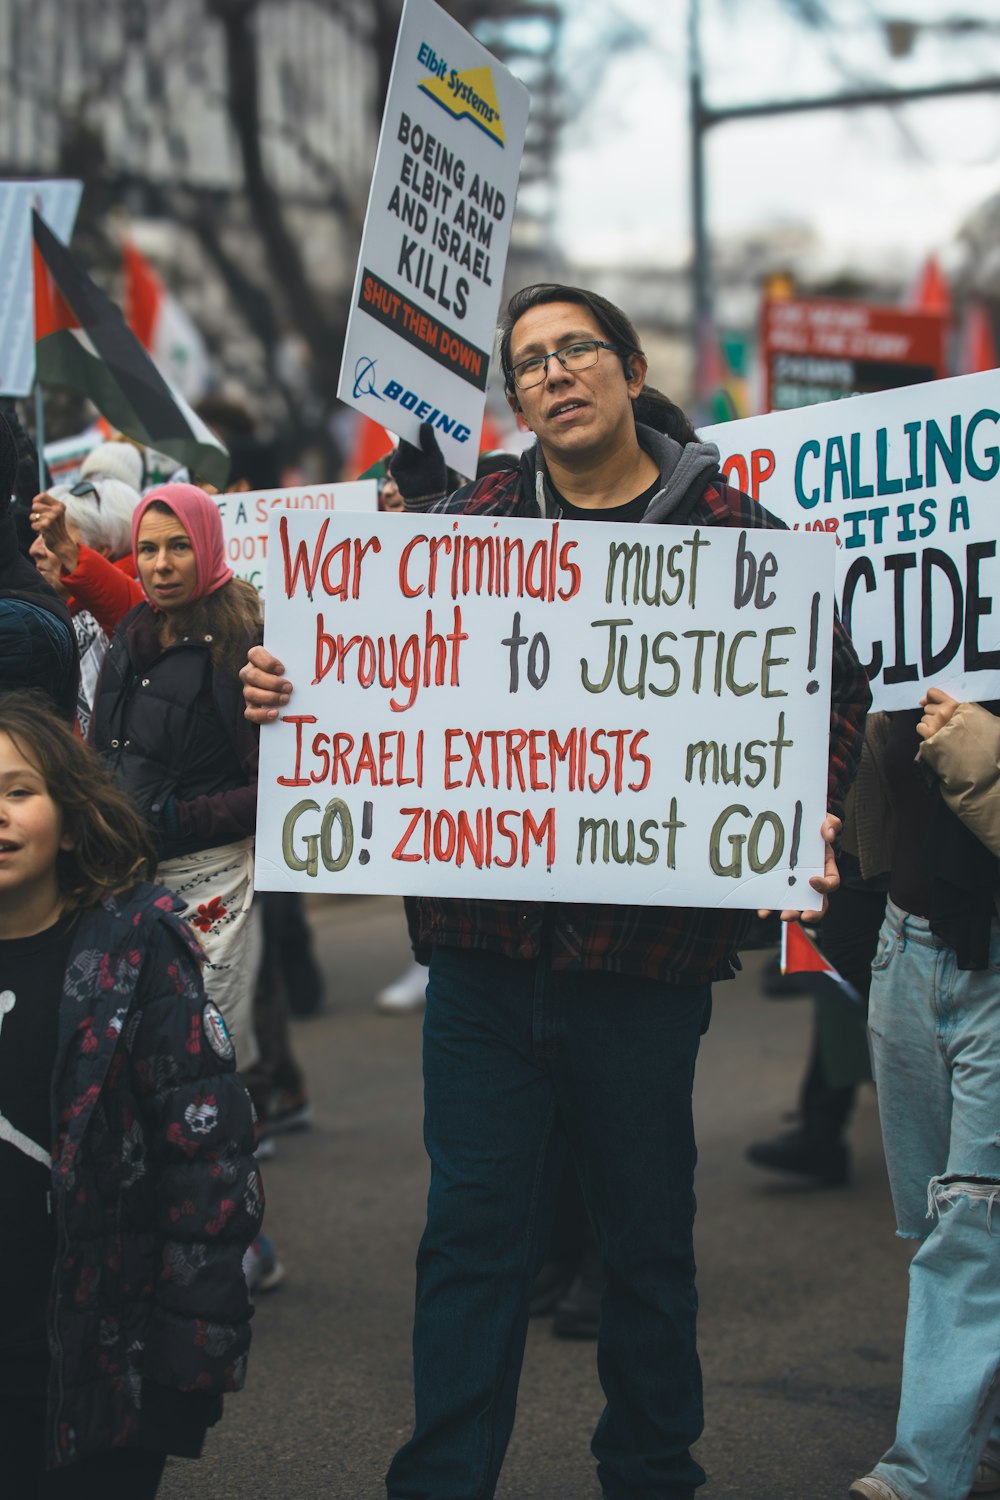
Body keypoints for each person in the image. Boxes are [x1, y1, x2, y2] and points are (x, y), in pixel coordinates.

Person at [242, 282, 870, 1500]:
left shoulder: (740, 537)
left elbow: (826, 696)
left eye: (578, 349)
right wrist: (286, 687)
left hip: (643, 967)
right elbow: (356, 671)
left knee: (645, 1242)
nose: (553, 374)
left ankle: (650, 1470)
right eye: (527, 364)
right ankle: (441, 1479)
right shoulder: (455, 527)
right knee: (470, 1243)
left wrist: (807, 795)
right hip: (476, 959)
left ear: (632, 372)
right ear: (515, 400)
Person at [0, 691, 261, 1498]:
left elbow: (206, 1167)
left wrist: (191, 1362)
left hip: (92, 1365)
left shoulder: (135, 950)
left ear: (73, 820)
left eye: (17, 791)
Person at [847, 688, 1000, 1500]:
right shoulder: (915, 598)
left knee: (972, 1229)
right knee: (938, 1217)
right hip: (904, 948)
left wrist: (978, 745)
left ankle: (921, 1475)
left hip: (991, 956)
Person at [90, 482, 263, 1071]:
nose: (160, 565)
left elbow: (274, 791)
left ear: (208, 546)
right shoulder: (133, 630)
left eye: (179, 547)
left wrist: (175, 818)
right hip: (127, 878)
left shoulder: (241, 642)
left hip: (208, 882)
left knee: (199, 1061)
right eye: (147, 549)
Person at [28, 458, 143, 736]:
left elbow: (130, 614)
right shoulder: (66, 616)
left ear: (101, 552)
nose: (34, 549)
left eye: (53, 538)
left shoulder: (141, 606)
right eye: (41, 536)